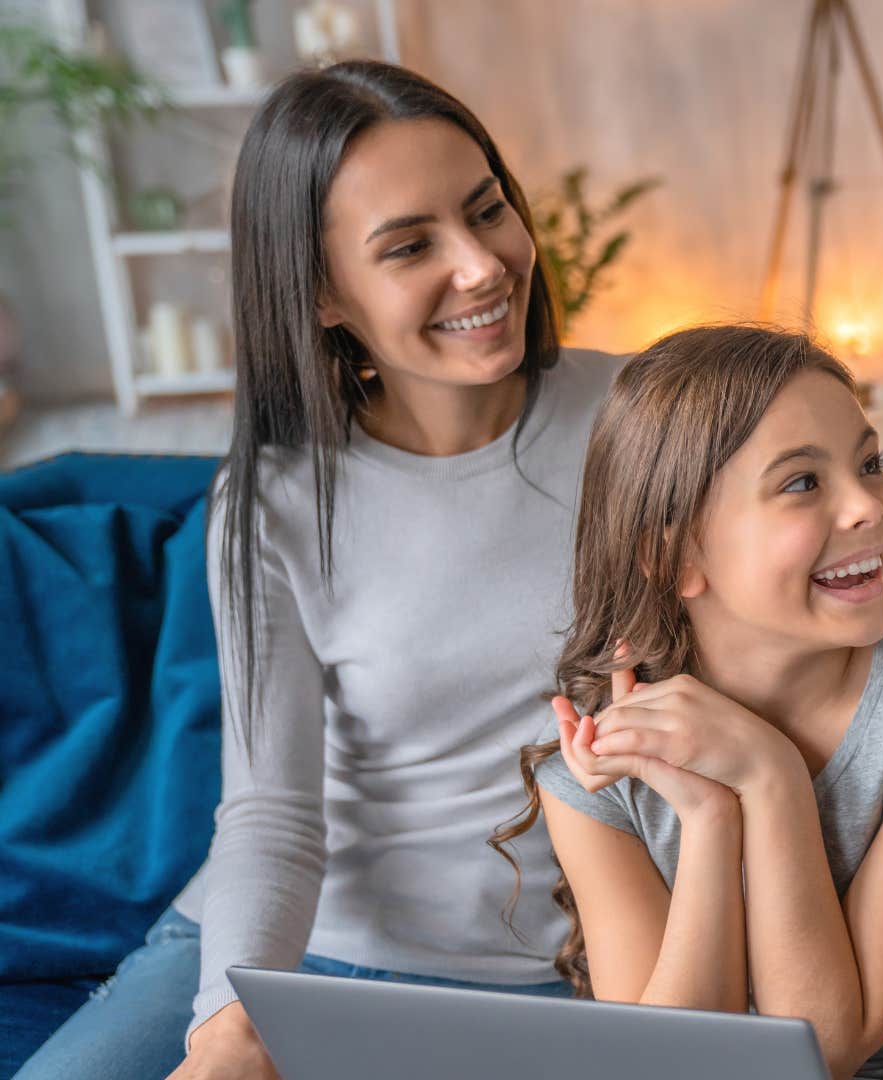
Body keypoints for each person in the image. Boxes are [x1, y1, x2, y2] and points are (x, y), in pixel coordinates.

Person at [17, 61, 622, 1080]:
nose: (481, 266)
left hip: (540, 970)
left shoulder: (642, 418)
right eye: (410, 246)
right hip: (292, 946)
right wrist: (229, 1021)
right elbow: (273, 811)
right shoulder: (272, 497)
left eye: (488, 211)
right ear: (323, 292)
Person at [495, 325, 883, 1080]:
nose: (870, 508)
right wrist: (710, 816)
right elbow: (666, 1067)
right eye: (801, 482)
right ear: (675, 557)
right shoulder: (603, 755)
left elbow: (824, 1050)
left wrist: (769, 776)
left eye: (870, 464)